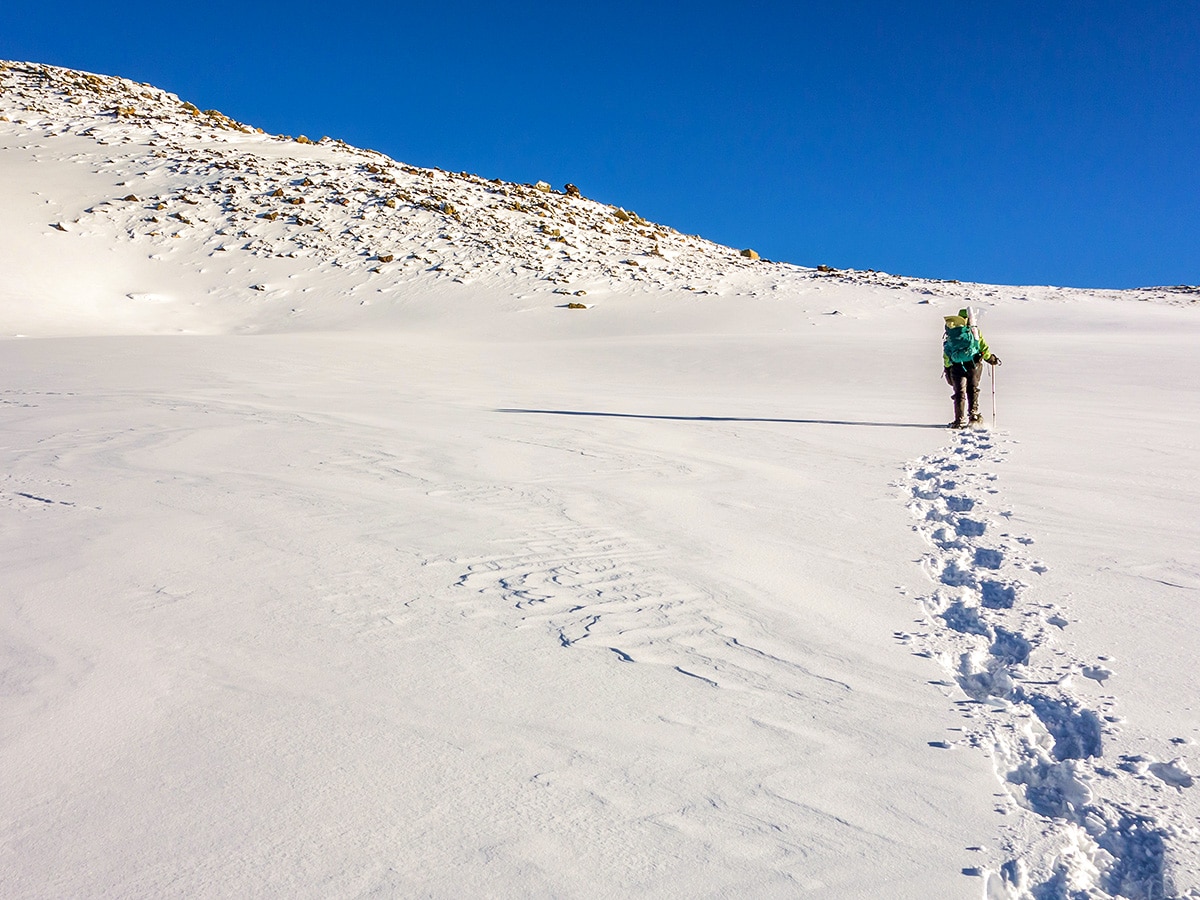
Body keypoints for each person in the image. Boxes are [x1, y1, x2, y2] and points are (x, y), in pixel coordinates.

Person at [943, 307, 1001, 428]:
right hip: (974, 365)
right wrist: (991, 359)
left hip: (956, 366)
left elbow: (947, 352)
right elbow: (983, 347)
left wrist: (948, 367)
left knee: (959, 392)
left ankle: (959, 419)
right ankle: (973, 415)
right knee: (973, 389)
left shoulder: (952, 332)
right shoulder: (975, 331)